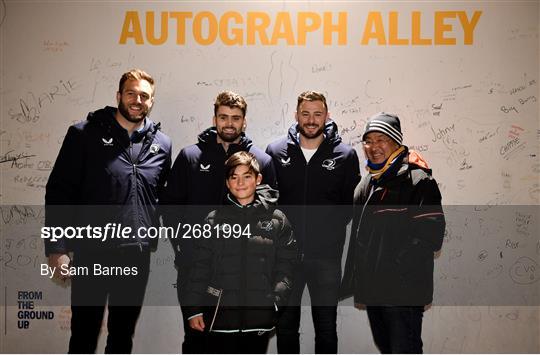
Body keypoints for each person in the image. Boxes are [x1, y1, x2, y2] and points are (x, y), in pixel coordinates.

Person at [44, 69, 171, 353]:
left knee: (122, 336)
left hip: (136, 255)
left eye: (144, 96)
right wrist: (56, 247)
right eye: (131, 93)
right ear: (118, 96)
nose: (137, 100)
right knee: (84, 336)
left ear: (151, 101)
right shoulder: (83, 134)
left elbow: (161, 196)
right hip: (92, 251)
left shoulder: (162, 144)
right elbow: (59, 192)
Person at [161, 91, 276, 353]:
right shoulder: (190, 157)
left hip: (244, 273)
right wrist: (185, 245)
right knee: (197, 340)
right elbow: (171, 207)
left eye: (235, 118)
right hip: (196, 268)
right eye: (223, 117)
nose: (229, 123)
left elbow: (270, 214)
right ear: (214, 118)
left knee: (244, 345)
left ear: (244, 121)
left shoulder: (262, 161)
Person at [341, 112, 446, 353]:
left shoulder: (417, 180)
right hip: (375, 292)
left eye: (381, 139)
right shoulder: (367, 184)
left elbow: (431, 236)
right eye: (368, 140)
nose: (373, 147)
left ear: (396, 141)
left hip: (402, 293)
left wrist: (395, 269)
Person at [265, 91, 360, 353]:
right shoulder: (275, 151)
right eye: (305, 113)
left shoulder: (345, 155)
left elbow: (348, 207)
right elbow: (268, 203)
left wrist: (326, 233)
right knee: (285, 328)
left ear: (327, 116)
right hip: (285, 259)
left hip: (326, 259)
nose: (311, 119)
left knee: (326, 328)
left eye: (317, 114)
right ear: (296, 116)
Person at [183, 151, 297, 354]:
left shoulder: (277, 220)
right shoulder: (212, 220)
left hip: (258, 320)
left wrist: (275, 302)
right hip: (219, 318)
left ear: (258, 179)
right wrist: (194, 309)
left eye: (247, 176)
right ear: (227, 183)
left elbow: (287, 266)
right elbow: (199, 267)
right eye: (234, 177)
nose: (240, 182)